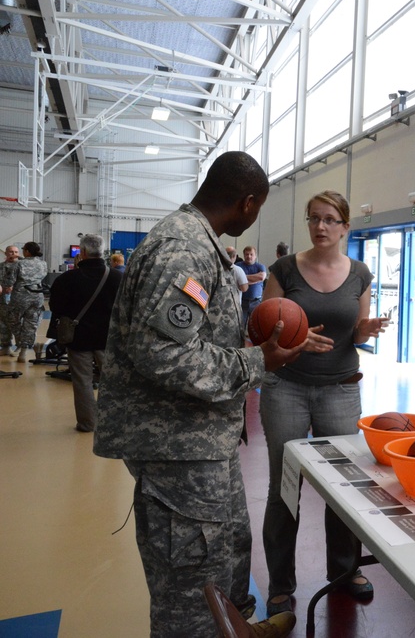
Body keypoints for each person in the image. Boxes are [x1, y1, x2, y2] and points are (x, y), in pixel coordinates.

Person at [93, 152, 330, 638]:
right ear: (247, 203)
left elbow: (186, 342)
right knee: (191, 589)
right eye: (258, 208)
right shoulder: (183, 248)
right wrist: (258, 360)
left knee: (224, 554)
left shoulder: (197, 242)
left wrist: (244, 345)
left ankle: (238, 627)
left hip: (203, 444)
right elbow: (162, 355)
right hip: (180, 451)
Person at [258, 191, 389, 617]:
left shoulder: (361, 274)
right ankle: (281, 581)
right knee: (285, 486)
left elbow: (356, 336)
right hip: (287, 389)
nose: (321, 227)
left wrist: (365, 328)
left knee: (344, 486)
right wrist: (293, 341)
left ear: (346, 226)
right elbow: (265, 333)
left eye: (331, 220)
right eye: (314, 218)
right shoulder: (283, 270)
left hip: (340, 389)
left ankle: (346, 571)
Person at [48, 234, 123, 432]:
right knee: (113, 381)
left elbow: (56, 306)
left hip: (78, 338)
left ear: (81, 253)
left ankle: (87, 422)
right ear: (103, 252)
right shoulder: (118, 278)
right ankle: (113, 421)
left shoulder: (67, 279)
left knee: (82, 381)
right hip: (109, 338)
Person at [4, 241, 47, 363]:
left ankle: (20, 342)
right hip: (37, 296)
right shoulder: (43, 264)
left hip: (20, 296)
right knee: (31, 323)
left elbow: (9, 282)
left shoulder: (18, 265)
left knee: (12, 320)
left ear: (27, 251)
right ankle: (23, 352)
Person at [240, 245, 267, 329]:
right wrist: (255, 279)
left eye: (251, 254)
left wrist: (244, 278)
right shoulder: (239, 266)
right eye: (247, 254)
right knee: (241, 325)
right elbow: (236, 280)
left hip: (256, 301)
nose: (249, 256)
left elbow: (261, 277)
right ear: (244, 255)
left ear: (255, 256)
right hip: (242, 302)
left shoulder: (260, 266)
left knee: (255, 326)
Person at [0, 245, 19, 355]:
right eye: (11, 252)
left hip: (18, 300)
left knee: (17, 324)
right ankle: (6, 346)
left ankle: (21, 347)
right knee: (3, 324)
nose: (13, 254)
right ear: (6, 253)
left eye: (16, 252)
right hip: (2, 299)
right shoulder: (1, 266)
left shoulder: (22, 266)